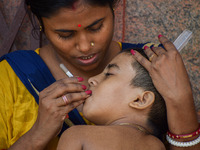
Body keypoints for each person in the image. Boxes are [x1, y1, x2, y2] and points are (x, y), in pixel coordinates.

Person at [0, 0, 199, 149]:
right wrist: (37, 135)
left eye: (96, 27)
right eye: (65, 34)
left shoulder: (156, 69)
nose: (86, 46)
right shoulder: (10, 78)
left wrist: (180, 99)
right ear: (40, 21)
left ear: (114, 8)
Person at [57, 48, 169, 150]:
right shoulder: (157, 145)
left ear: (140, 100)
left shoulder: (78, 136)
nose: (91, 80)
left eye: (109, 74)